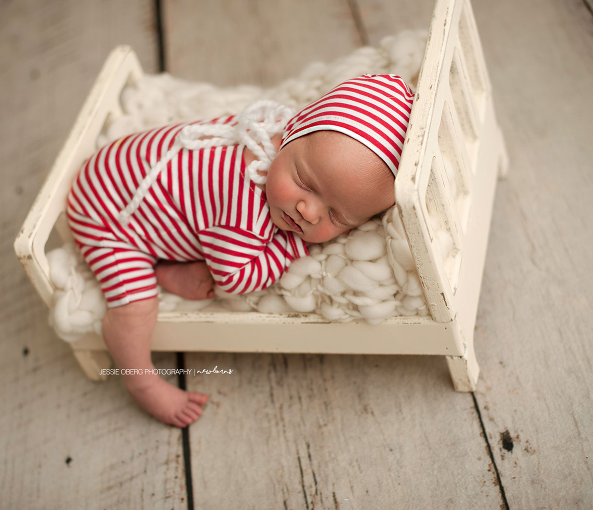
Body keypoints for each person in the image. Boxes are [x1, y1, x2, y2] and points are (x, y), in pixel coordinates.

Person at [67, 74, 414, 427]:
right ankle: (140, 380)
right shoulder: (246, 207)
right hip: (108, 214)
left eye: (336, 216)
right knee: (135, 308)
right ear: (293, 128)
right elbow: (233, 278)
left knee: (194, 218)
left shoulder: (271, 132)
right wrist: (291, 245)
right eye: (304, 183)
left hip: (125, 164)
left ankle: (168, 264)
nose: (307, 212)